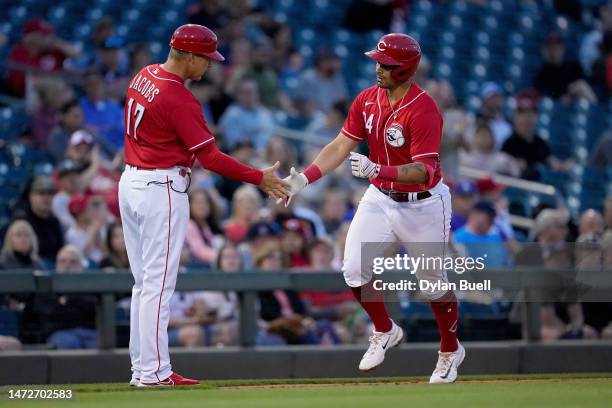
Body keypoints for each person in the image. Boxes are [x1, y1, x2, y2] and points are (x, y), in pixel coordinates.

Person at [281, 34, 464, 383]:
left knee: (432, 284)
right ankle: (384, 329)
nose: (378, 68)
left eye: (387, 65)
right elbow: (340, 145)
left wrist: (378, 169)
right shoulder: (367, 99)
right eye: (378, 62)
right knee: (353, 268)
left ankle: (450, 350)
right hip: (380, 196)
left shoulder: (424, 109)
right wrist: (304, 179)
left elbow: (424, 171)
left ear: (406, 70)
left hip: (424, 204)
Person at [118, 24, 289, 387]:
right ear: (190, 55)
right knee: (158, 286)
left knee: (144, 284)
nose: (209, 66)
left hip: (132, 180)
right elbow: (210, 158)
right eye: (207, 59)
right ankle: (152, 373)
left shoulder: (144, 74)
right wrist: (260, 178)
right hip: (159, 186)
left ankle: (144, 369)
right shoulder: (179, 97)